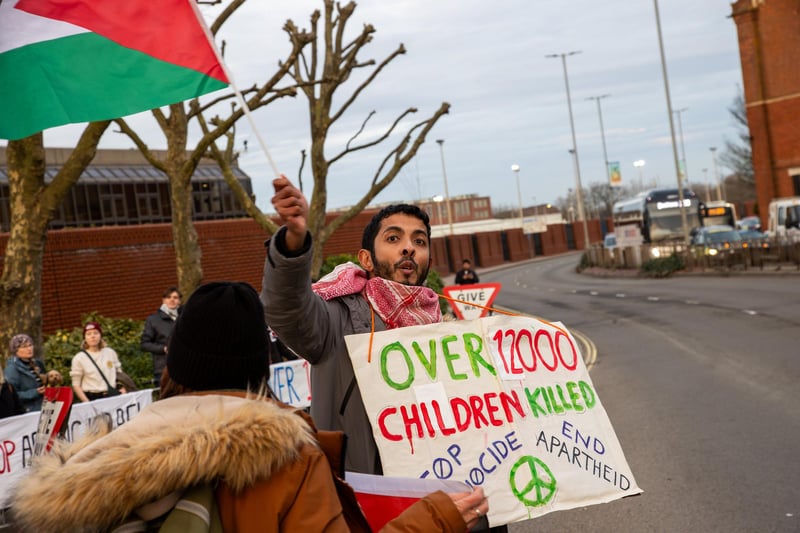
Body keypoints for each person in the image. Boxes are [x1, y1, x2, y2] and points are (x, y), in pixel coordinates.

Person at [11, 281, 487, 532]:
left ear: (175, 361)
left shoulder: (88, 470)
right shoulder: (288, 459)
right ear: (260, 366)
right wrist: (436, 519)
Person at [262, 176, 443, 475]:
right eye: (394, 238)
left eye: (419, 241)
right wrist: (292, 243)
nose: (409, 248)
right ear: (366, 260)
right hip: (362, 501)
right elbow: (285, 308)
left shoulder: (446, 332)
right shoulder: (335, 319)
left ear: (429, 261)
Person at [4, 333, 62, 412]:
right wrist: (35, 392)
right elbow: (12, 395)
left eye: (30, 345)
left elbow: (44, 383)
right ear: (16, 350)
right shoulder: (12, 369)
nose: (29, 349)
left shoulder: (37, 363)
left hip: (45, 407)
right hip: (28, 410)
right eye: (24, 347)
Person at [70, 322, 125, 402]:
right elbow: (76, 384)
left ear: (100, 335)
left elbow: (119, 374)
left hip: (112, 395)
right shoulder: (79, 358)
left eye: (96, 333)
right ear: (85, 338)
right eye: (89, 334)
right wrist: (87, 403)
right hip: (93, 397)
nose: (93, 336)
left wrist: (123, 389)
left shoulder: (110, 352)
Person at [141, 286, 182, 385]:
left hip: (183, 366)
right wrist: (163, 349)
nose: (172, 300)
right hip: (163, 368)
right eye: (168, 297)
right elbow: (145, 344)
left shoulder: (184, 317)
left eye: (175, 297)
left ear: (179, 301)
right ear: (163, 300)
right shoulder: (153, 320)